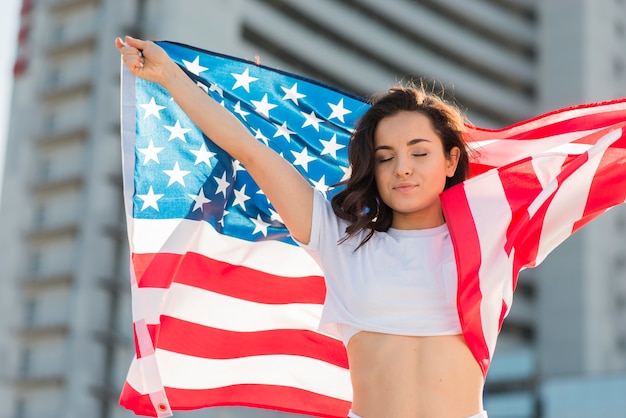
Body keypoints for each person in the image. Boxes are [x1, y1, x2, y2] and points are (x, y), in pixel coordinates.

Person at [116, 35, 487, 418]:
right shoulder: (340, 239)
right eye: (385, 157)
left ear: (450, 159)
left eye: (419, 152)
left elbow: (555, 169)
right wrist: (169, 77)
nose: (402, 168)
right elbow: (251, 151)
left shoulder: (491, 237)